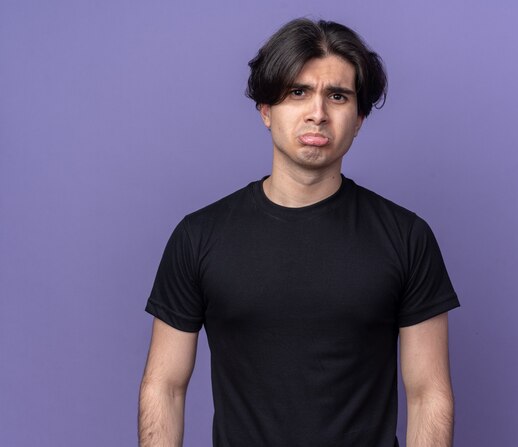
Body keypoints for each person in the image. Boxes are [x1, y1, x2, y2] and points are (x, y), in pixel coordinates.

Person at [138, 18, 460, 447]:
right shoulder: (199, 237)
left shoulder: (406, 237)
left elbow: (428, 394)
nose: (318, 113)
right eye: (298, 92)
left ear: (359, 117)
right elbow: (165, 387)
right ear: (266, 111)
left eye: (338, 96)